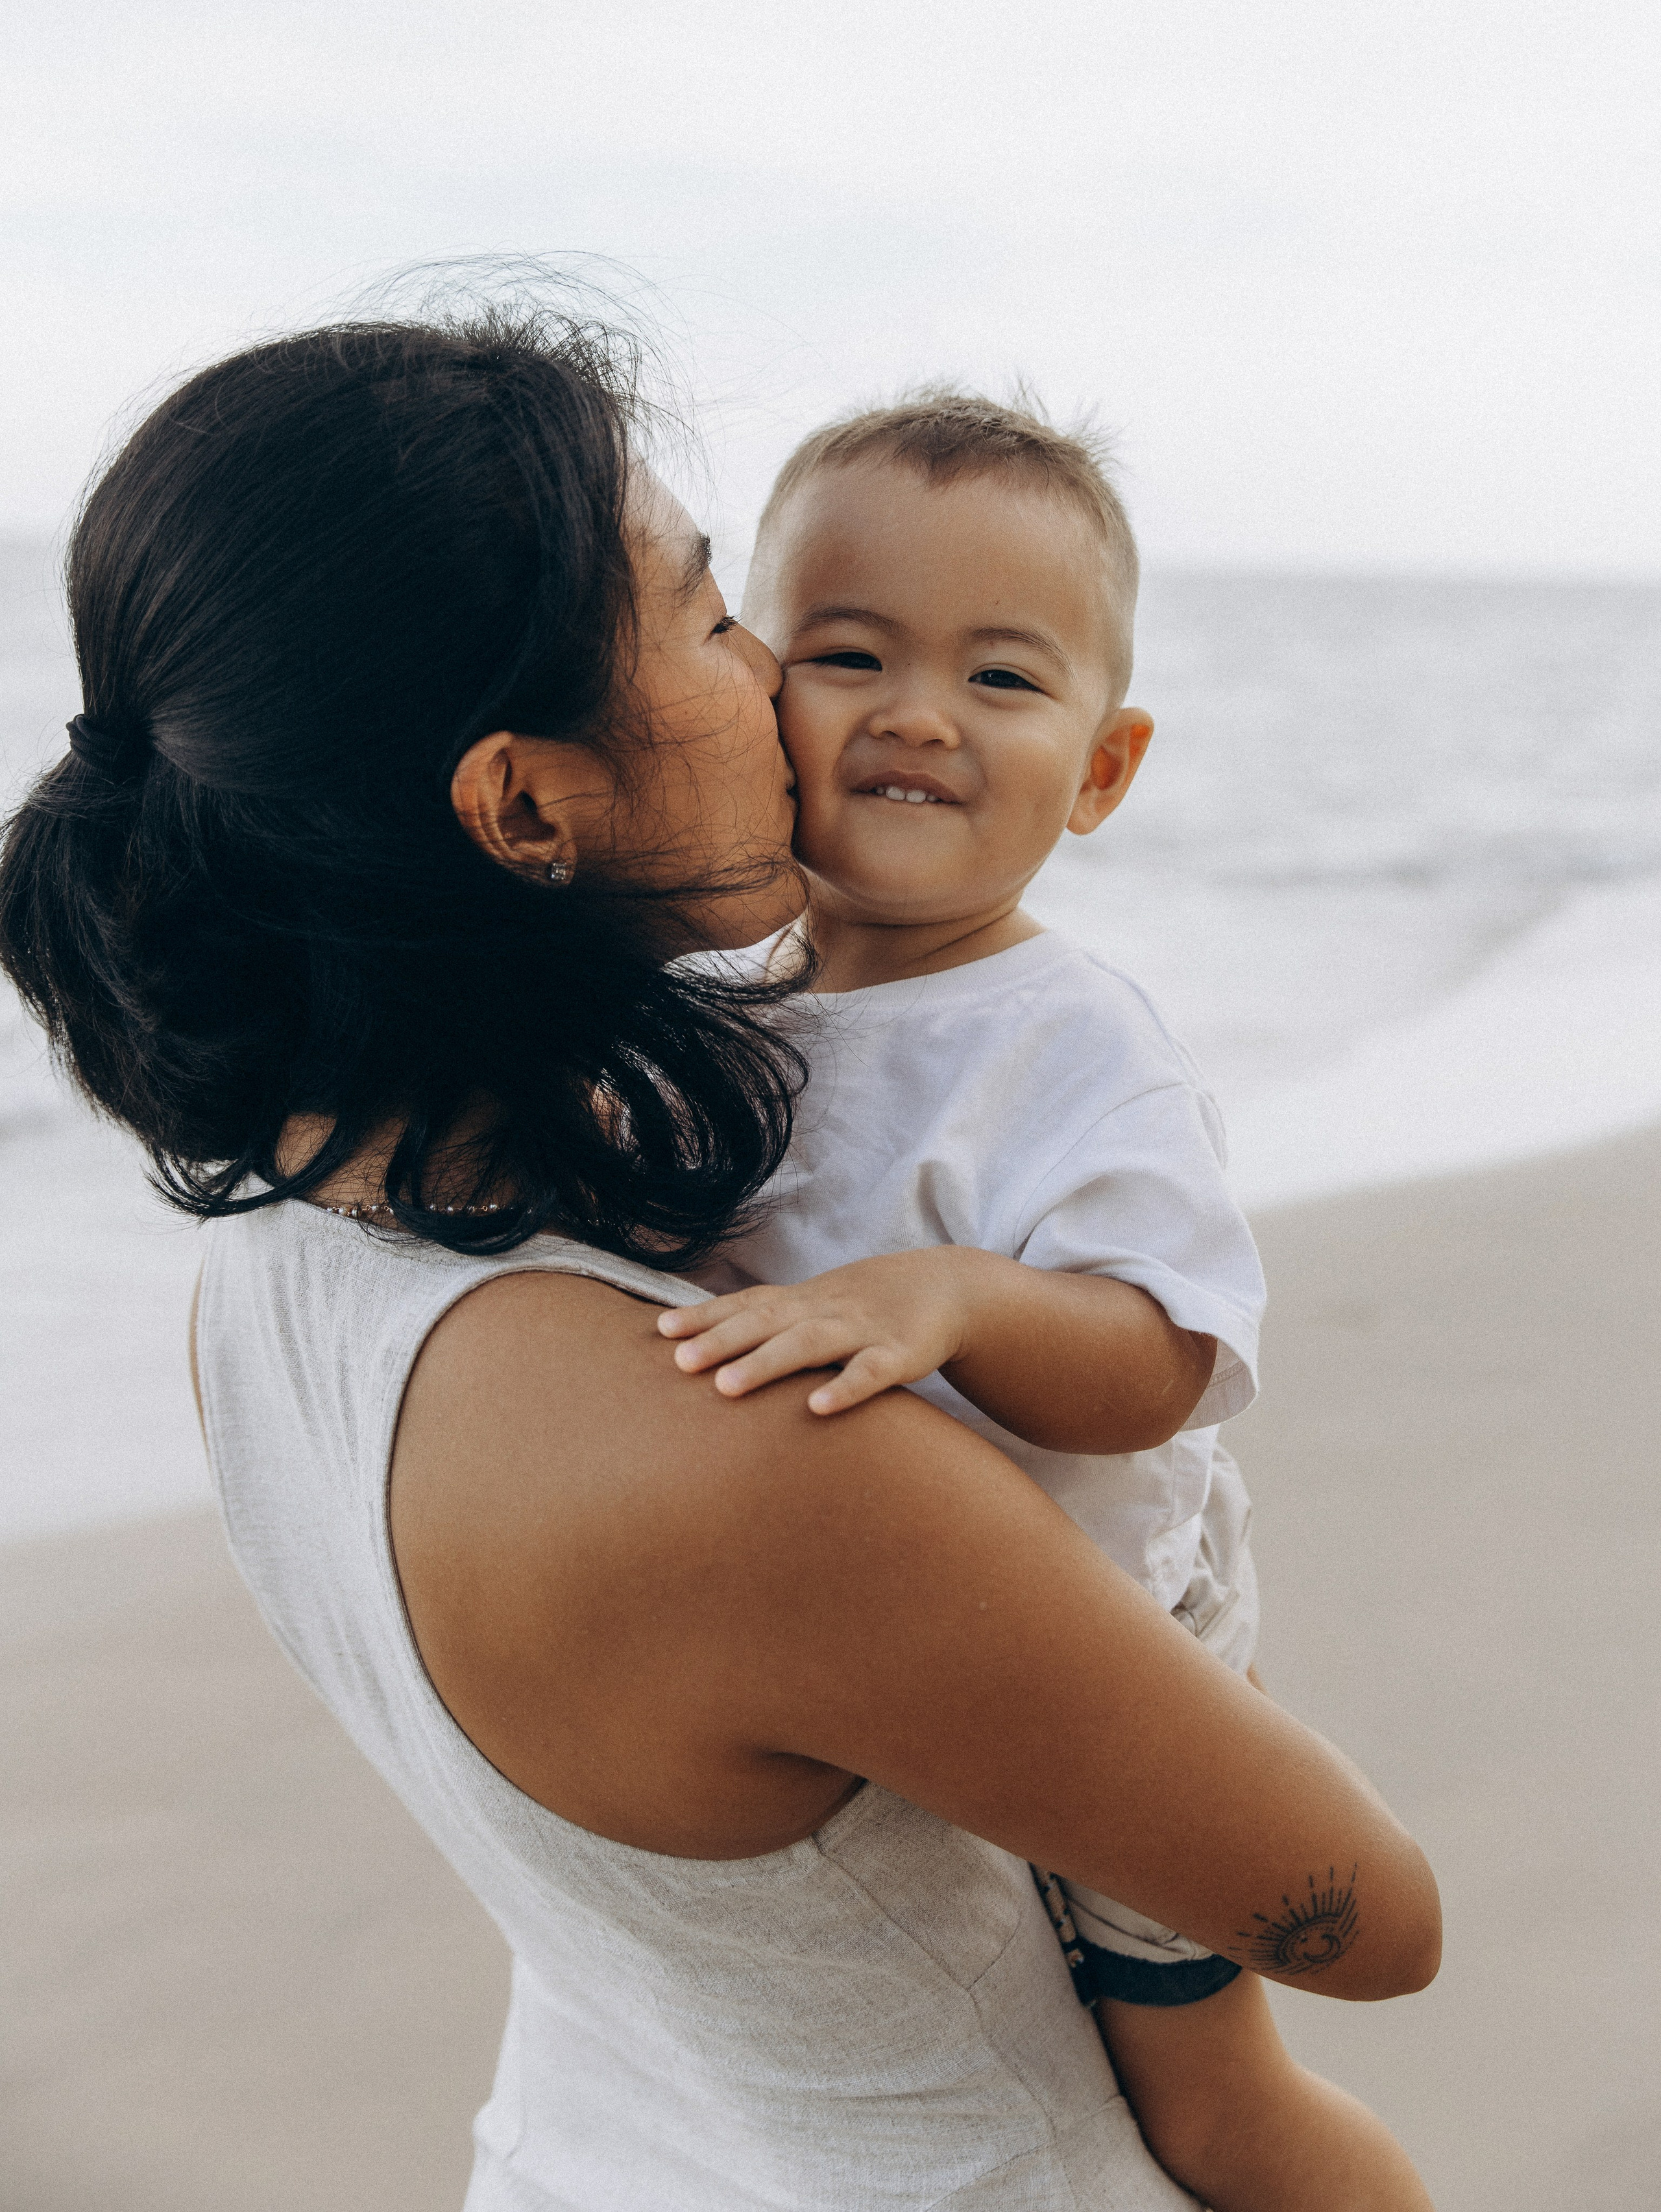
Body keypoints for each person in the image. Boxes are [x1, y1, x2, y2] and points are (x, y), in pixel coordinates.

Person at [0, 303, 1440, 2212]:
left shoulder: (273, 1284)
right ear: (522, 803)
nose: (779, 678)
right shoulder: (753, 1460)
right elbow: (1373, 1920)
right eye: (709, 616)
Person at [657, 392, 1436, 2209]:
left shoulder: (1072, 1043)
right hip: (898, 1656)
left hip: (1113, 1644)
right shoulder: (735, 1006)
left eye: (1002, 681)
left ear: (1103, 768)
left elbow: (1166, 1357)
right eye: (850, 653)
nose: (919, 711)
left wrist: (964, 1298)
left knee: (1204, 2094)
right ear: (759, 695)